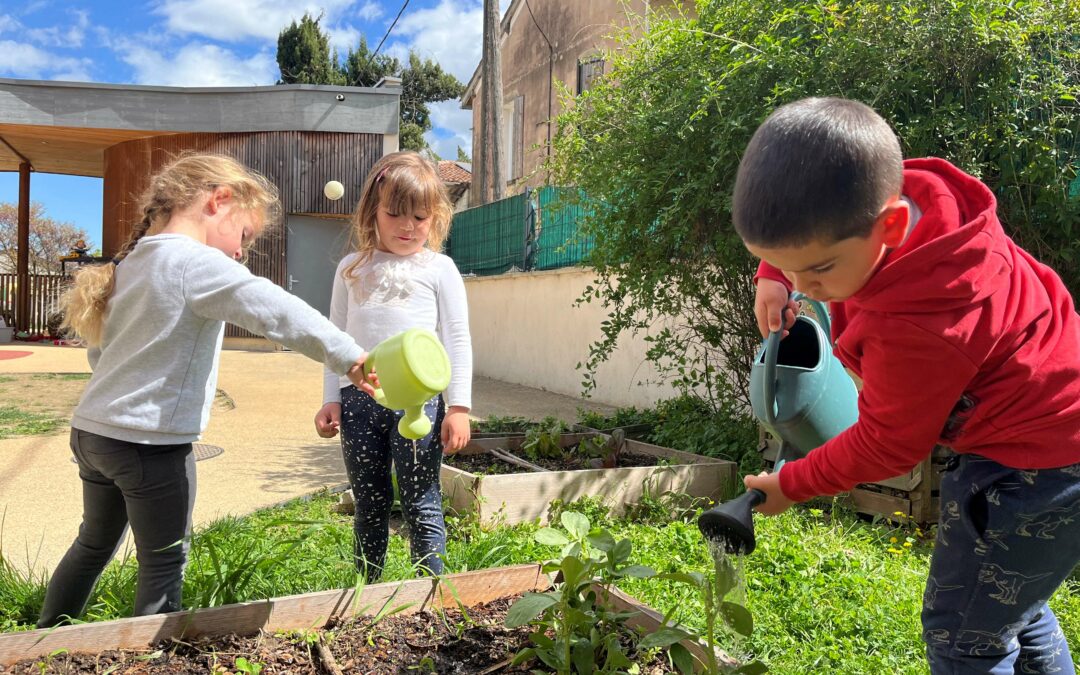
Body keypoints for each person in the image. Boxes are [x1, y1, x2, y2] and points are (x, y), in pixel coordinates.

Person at [733, 97, 1080, 674]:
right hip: (1054, 432)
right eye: (783, 266)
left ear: (889, 225)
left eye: (816, 271)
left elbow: (887, 444)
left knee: (962, 636)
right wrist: (774, 275)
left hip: (1035, 471)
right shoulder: (912, 199)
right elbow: (813, 223)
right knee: (1009, 602)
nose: (803, 287)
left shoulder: (923, 322)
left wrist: (791, 484)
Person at [40, 153, 375, 627]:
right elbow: (273, 309)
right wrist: (348, 355)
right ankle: (151, 660)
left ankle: (43, 641)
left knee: (93, 544)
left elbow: (102, 355)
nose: (240, 253)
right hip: (150, 445)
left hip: (93, 433)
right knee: (162, 562)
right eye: (244, 237)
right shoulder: (193, 262)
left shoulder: (132, 262)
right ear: (220, 200)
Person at [314, 151, 472, 582]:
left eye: (420, 217)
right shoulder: (351, 269)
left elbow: (457, 338)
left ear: (435, 217)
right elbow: (336, 340)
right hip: (359, 404)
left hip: (418, 408)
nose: (407, 226)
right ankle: (366, 590)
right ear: (373, 211)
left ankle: (431, 594)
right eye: (395, 213)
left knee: (422, 499)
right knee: (369, 502)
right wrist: (331, 399)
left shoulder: (440, 269)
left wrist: (458, 407)